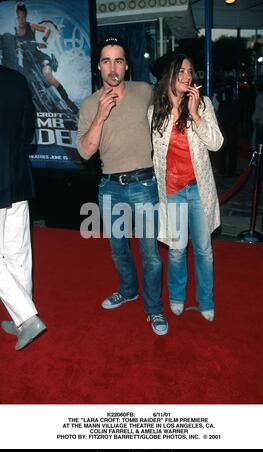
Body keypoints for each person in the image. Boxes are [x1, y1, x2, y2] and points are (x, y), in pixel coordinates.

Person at [77, 36, 167, 336]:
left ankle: (154, 309)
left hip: (144, 184)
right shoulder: (90, 104)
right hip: (110, 188)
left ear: (126, 66)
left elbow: (168, 120)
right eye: (106, 61)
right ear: (99, 67)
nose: (112, 67)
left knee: (150, 253)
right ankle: (128, 290)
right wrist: (101, 115)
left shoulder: (145, 91)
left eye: (118, 60)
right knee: (118, 251)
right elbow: (85, 151)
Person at [150, 54, 223, 321]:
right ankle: (177, 296)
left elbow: (216, 143)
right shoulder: (154, 111)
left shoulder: (202, 105)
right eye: (181, 71)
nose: (187, 76)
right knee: (178, 249)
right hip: (172, 191)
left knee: (204, 249)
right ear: (169, 75)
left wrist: (194, 114)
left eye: (190, 72)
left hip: (198, 190)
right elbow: (154, 155)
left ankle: (206, 300)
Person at [0, 64, 47, 350]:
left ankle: (27, 318)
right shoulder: (16, 79)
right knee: (18, 251)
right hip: (17, 177)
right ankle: (21, 320)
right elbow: (29, 133)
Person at [15, 1, 78, 113]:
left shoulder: (31, 25)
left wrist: (43, 41)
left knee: (48, 75)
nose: (21, 19)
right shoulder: (15, 30)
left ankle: (69, 102)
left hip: (38, 56)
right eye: (19, 17)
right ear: (16, 16)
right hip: (26, 61)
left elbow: (47, 30)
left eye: (23, 17)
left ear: (25, 16)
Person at [217, 85, 239, 176]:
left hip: (225, 129)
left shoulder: (223, 103)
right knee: (231, 151)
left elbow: (220, 116)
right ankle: (231, 171)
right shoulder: (234, 103)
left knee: (225, 151)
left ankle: (223, 170)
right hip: (231, 129)